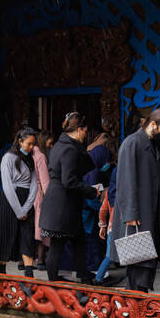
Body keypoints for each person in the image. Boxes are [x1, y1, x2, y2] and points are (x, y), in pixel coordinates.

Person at [111, 108, 160, 291]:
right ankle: (136, 300)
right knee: (139, 261)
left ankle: (139, 297)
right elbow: (125, 181)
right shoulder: (132, 143)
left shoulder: (157, 146)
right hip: (137, 213)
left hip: (152, 210)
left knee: (148, 259)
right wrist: (130, 212)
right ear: (153, 124)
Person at [38, 113, 99, 282]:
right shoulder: (70, 149)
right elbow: (69, 181)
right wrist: (91, 191)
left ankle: (83, 274)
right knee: (57, 245)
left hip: (62, 202)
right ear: (79, 130)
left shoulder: (60, 144)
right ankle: (53, 280)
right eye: (85, 131)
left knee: (79, 240)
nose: (86, 135)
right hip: (62, 204)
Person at [0, 127, 39, 277]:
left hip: (26, 199)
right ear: (20, 141)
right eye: (29, 144)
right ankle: (2, 271)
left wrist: (27, 207)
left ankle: (29, 274)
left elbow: (35, 184)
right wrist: (19, 210)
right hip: (10, 200)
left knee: (27, 235)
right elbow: (7, 186)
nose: (31, 147)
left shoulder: (30, 158)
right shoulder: (8, 158)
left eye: (33, 144)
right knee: (7, 233)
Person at [83, 130, 114, 274]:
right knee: (93, 243)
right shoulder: (94, 172)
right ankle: (95, 270)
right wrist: (103, 209)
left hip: (85, 214)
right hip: (89, 214)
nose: (107, 163)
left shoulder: (88, 167)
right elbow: (92, 195)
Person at [30, 132, 50, 270]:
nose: (51, 144)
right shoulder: (41, 156)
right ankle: (41, 259)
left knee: (29, 228)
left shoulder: (29, 154)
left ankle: (24, 260)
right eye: (50, 141)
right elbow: (45, 181)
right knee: (42, 228)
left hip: (29, 193)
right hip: (39, 194)